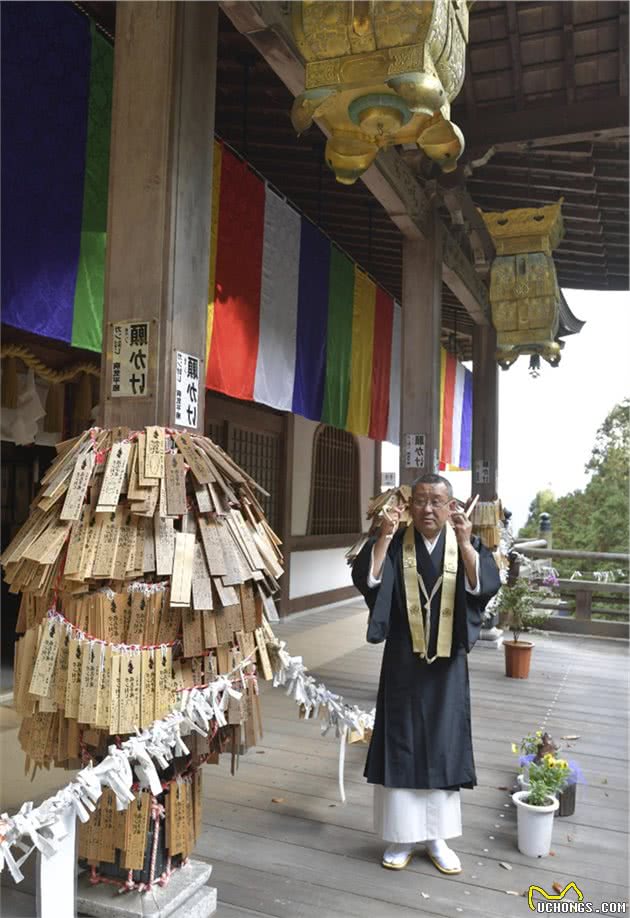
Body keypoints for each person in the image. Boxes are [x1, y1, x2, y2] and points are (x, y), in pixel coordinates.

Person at [351, 473, 501, 873]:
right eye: (420, 500)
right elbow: (367, 581)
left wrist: (467, 543)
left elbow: (484, 586)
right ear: (409, 505)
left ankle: (437, 837)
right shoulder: (397, 544)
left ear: (452, 507)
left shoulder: (465, 543)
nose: (428, 508)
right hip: (403, 659)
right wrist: (382, 536)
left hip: (448, 663)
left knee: (443, 744)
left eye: (436, 501)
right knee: (401, 741)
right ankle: (400, 837)